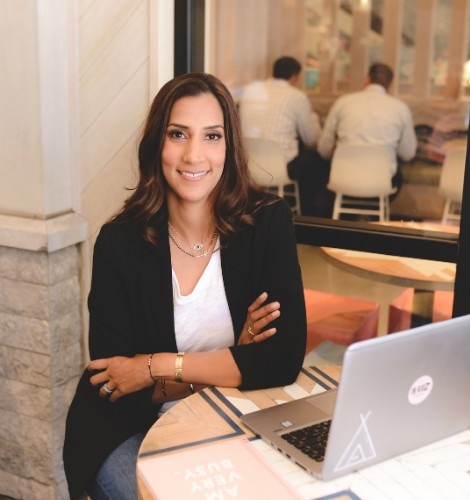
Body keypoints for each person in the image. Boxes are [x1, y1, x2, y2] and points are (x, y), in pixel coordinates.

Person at [63, 73, 307, 500]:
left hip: (233, 417)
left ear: (229, 147)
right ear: (157, 144)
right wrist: (235, 357)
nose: (194, 154)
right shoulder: (119, 243)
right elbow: (117, 385)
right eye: (178, 134)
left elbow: (282, 360)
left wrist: (152, 367)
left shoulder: (267, 223)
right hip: (130, 429)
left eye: (212, 136)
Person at [239, 56, 330, 216]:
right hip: (280, 168)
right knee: (318, 161)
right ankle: (307, 216)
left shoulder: (252, 90)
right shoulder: (296, 96)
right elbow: (312, 139)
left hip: (247, 164)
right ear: (295, 76)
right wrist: (314, 118)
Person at [317, 63, 417, 197]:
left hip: (342, 180)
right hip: (381, 184)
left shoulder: (343, 102)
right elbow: (408, 153)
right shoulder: (400, 108)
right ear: (390, 85)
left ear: (367, 79)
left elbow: (324, 149)